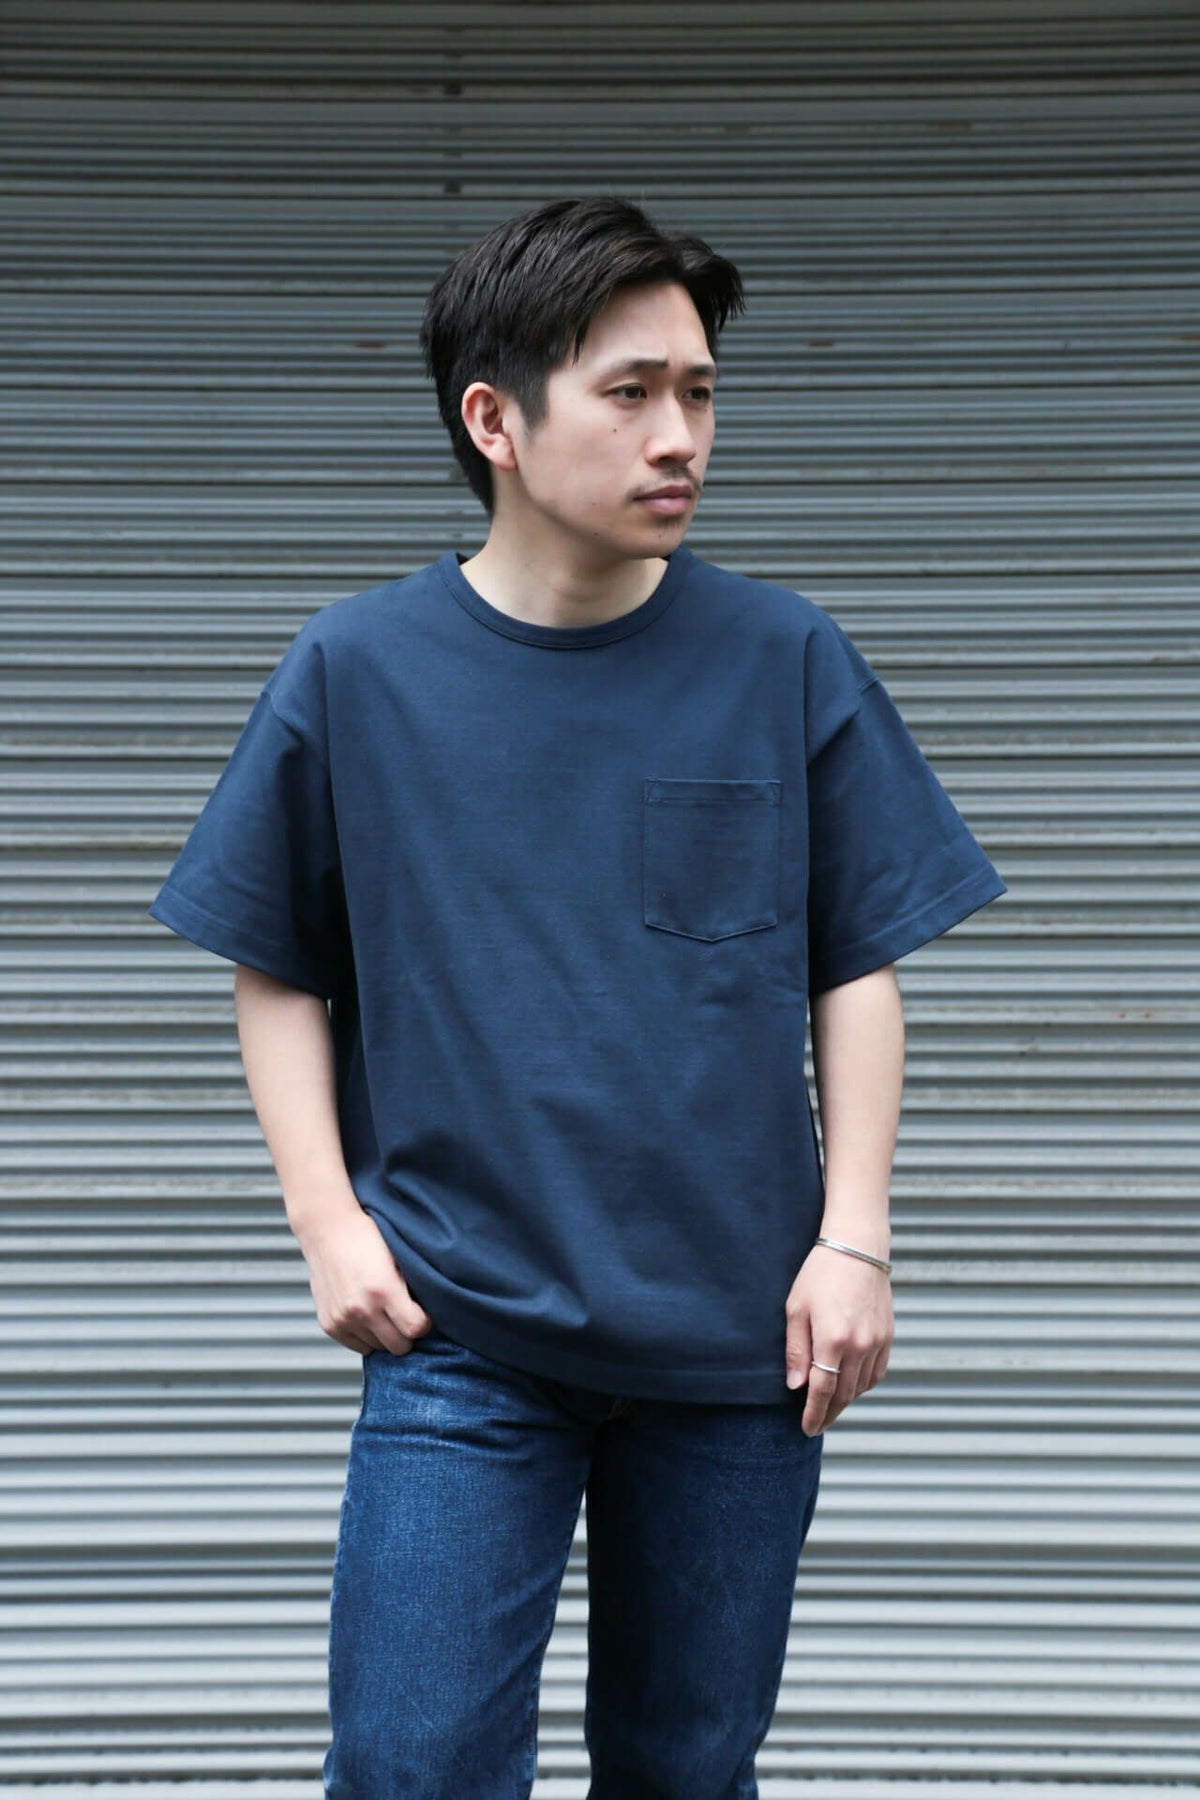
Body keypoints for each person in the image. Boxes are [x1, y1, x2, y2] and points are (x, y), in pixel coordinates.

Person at [147, 195, 1007, 1799]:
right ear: (497, 420)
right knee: (409, 1767)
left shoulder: (781, 657)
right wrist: (329, 1228)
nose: (681, 436)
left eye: (699, 393)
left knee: (688, 1771)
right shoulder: (357, 671)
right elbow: (272, 962)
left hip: (739, 1341)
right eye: (631, 393)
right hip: (463, 1328)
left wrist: (857, 1237)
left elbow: (856, 961)